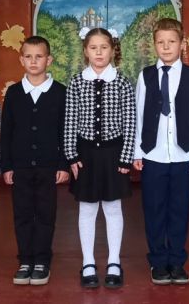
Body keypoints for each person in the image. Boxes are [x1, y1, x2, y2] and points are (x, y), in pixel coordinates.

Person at [133, 18, 189, 285]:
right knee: (154, 210)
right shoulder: (146, 76)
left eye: (171, 42)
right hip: (152, 154)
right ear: (154, 45)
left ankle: (176, 261)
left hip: (182, 154)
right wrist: (137, 151)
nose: (166, 47)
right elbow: (138, 115)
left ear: (182, 44)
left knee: (179, 210)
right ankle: (158, 261)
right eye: (161, 42)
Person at [64, 27, 136, 289]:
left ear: (113, 50)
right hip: (85, 156)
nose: (99, 52)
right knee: (87, 208)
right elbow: (70, 120)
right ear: (85, 51)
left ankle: (114, 261)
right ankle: (88, 262)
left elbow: (130, 122)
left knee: (113, 208)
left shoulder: (122, 82)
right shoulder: (76, 82)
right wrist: (71, 154)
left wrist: (126, 157)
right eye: (93, 48)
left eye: (104, 47)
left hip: (113, 154)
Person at [1, 36, 69, 286]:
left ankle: (41, 260)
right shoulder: (14, 93)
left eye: (38, 56)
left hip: (48, 166)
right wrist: (7, 165)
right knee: (22, 214)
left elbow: (65, 131)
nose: (33, 61)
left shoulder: (60, 92)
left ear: (48, 60)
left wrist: (63, 164)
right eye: (28, 56)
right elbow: (6, 131)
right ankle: (25, 260)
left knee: (45, 214)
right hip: (20, 166)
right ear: (21, 60)